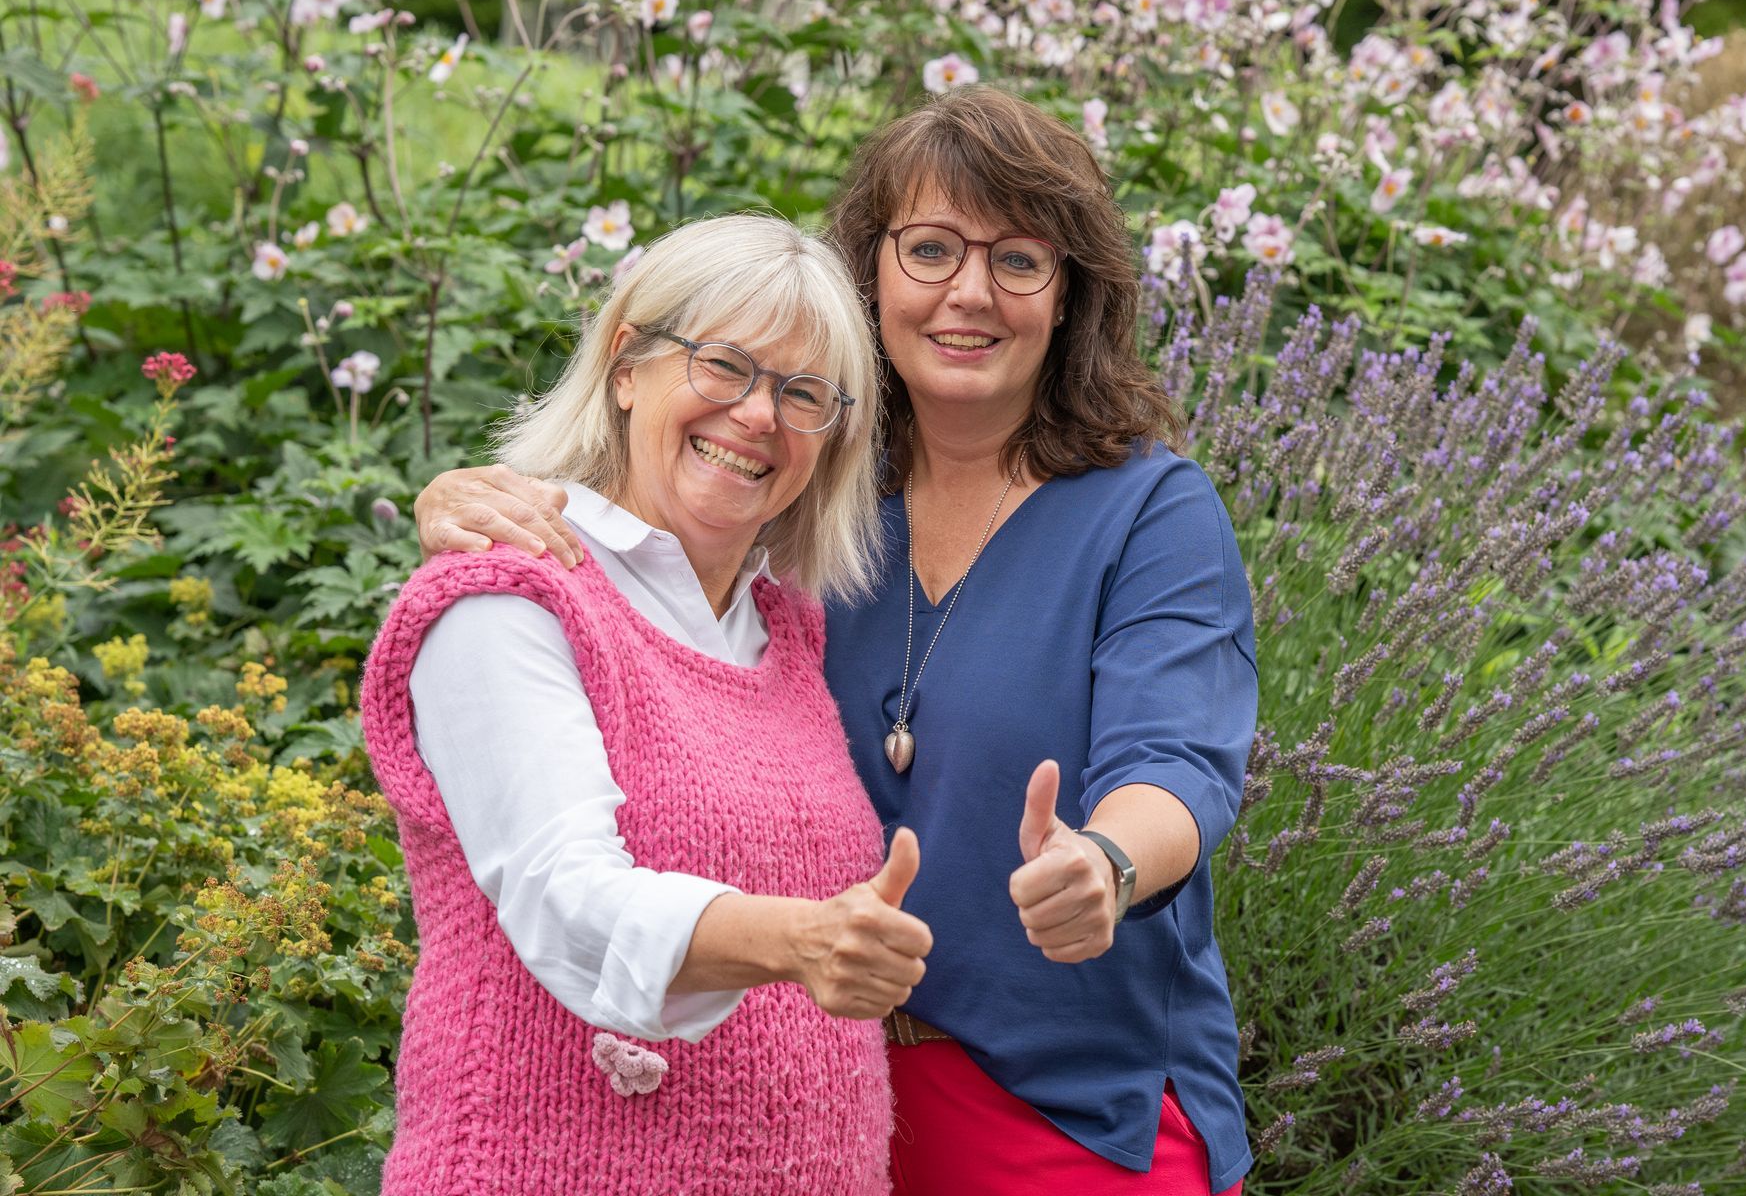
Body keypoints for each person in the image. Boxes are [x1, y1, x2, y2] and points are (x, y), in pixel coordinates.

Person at [413, 88, 1256, 1195]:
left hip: (1062, 1098)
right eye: (931, 248)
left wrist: (1103, 860)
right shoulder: (806, 500)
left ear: (1069, 296)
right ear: (872, 276)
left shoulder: (1147, 512)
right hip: (801, 1105)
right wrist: (470, 502)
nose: (969, 290)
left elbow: (1179, 758)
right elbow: (642, 554)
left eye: (1018, 259)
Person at [361, 213, 932, 1196]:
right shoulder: (508, 599)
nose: (758, 414)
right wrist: (795, 940)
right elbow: (564, 898)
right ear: (627, 365)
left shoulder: (788, 627)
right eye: (723, 365)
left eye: (802, 394)